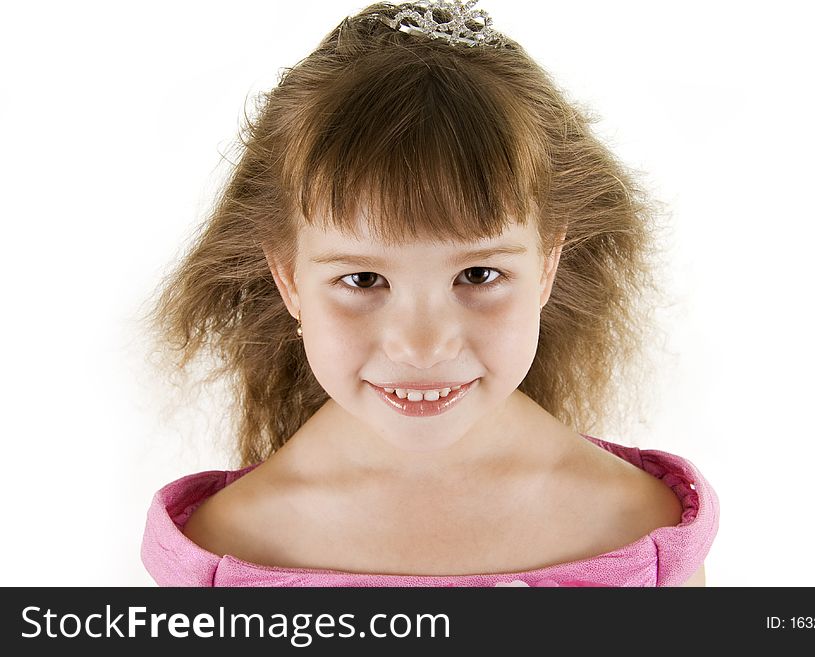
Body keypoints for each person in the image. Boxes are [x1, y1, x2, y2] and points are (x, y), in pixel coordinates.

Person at [139, 0, 719, 587]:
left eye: (478, 276)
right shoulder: (227, 553)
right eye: (362, 280)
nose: (421, 347)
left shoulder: (639, 532)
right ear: (288, 278)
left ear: (547, 265)